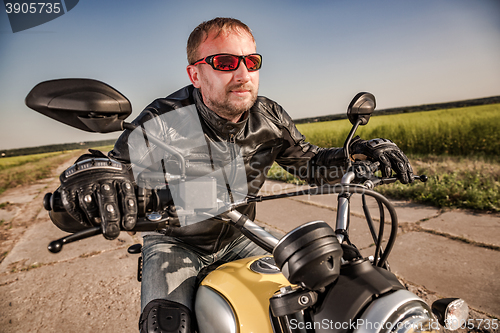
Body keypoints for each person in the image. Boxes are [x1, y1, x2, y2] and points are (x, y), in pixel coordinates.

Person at [55, 17, 413, 332]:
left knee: (327, 285)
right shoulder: (162, 120)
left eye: (251, 61)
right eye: (225, 62)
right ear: (195, 74)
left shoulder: (270, 116)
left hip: (243, 233)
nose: (243, 75)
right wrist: (91, 177)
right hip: (176, 240)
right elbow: (117, 171)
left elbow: (309, 162)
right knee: (166, 324)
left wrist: (357, 153)